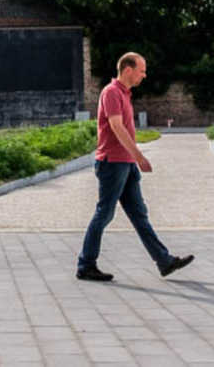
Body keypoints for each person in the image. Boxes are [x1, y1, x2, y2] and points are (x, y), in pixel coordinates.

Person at [76, 52, 194, 282]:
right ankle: (86, 265)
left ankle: (164, 261)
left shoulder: (124, 94)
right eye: (141, 70)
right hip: (112, 163)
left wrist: (133, 159)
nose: (144, 75)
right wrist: (139, 156)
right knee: (104, 213)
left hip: (126, 164)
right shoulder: (111, 92)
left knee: (139, 215)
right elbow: (117, 127)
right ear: (128, 69)